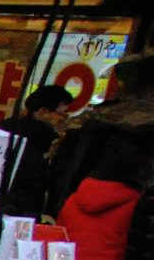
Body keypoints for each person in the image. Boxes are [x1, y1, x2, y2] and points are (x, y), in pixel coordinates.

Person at [49, 53, 154, 218]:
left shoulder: (92, 118)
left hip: (75, 209)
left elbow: (60, 168)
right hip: (129, 219)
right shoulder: (98, 120)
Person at [0, 85, 73, 220]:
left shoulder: (18, 131)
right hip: (18, 211)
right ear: (43, 111)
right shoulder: (32, 139)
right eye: (62, 113)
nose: (64, 118)